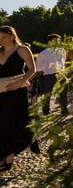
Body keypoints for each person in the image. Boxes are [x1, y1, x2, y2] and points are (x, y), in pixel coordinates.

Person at [0, 26, 37, 171]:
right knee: (1, 123)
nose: (0, 40)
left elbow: (32, 69)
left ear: (11, 36)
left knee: (9, 121)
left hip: (16, 91)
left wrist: (19, 83)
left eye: (3, 37)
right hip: (1, 91)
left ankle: (8, 158)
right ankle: (6, 155)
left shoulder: (22, 49)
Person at [35, 33, 66, 115]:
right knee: (48, 95)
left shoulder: (62, 51)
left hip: (61, 74)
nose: (57, 42)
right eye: (55, 40)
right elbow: (39, 68)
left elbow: (63, 62)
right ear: (49, 42)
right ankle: (46, 111)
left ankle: (64, 109)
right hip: (48, 75)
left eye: (58, 41)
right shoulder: (43, 53)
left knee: (63, 92)